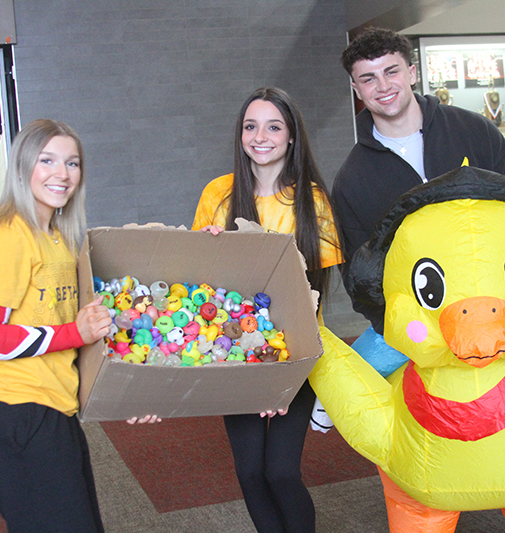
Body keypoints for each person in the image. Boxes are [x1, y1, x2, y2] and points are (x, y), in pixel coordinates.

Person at [191, 87, 342, 533]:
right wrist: (209, 254)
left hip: (294, 354)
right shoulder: (218, 194)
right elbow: (203, 289)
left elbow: (314, 292)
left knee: (280, 471)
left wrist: (279, 377)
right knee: (250, 472)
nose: (261, 136)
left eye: (274, 126)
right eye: (250, 126)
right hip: (235, 356)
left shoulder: (312, 201)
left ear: (292, 136)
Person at [0, 119, 114, 532]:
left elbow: (74, 338)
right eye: (47, 160)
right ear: (24, 165)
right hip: (13, 415)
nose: (61, 174)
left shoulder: (59, 239)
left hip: (54, 411)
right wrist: (74, 333)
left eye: (72, 162)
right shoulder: (5, 235)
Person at [332, 27, 505, 267]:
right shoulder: (351, 180)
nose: (383, 86)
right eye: (369, 79)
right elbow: (360, 274)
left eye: (391, 72)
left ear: (412, 74)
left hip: (495, 290)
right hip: (415, 302)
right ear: (356, 89)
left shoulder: (474, 131)